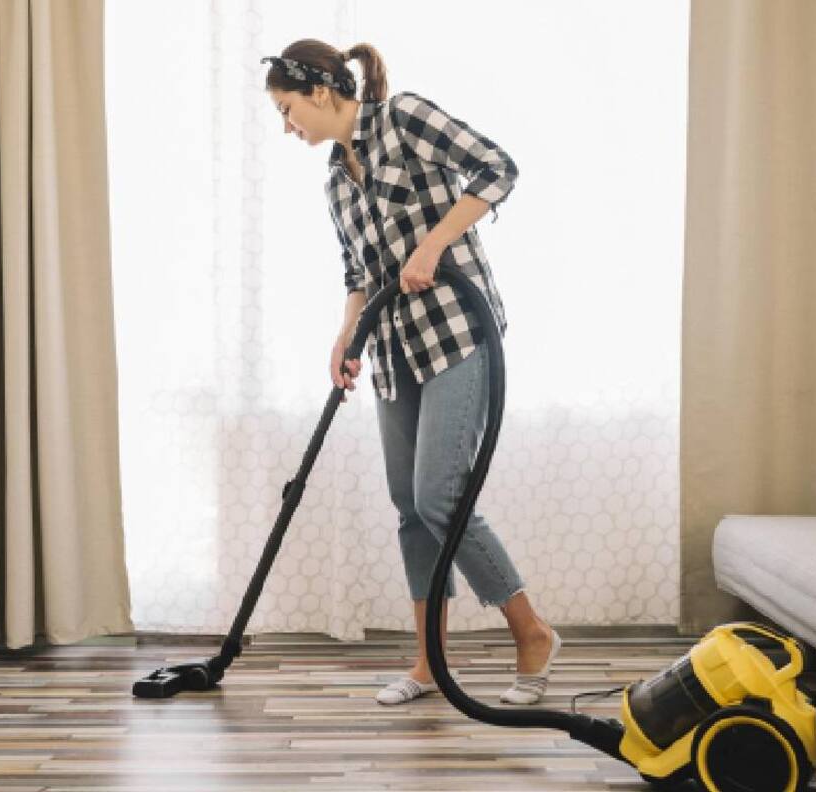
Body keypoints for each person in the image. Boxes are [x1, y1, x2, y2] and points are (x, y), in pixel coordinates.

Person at [262, 40, 560, 706]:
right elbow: (358, 273)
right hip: (394, 354)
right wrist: (346, 334)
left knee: (438, 498)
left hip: (458, 335)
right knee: (411, 512)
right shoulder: (336, 182)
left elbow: (497, 167)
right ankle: (429, 665)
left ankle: (532, 632)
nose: (287, 127)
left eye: (286, 109)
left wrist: (434, 242)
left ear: (320, 92)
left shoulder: (405, 119)